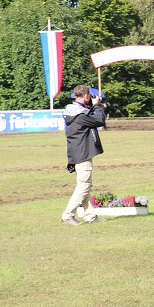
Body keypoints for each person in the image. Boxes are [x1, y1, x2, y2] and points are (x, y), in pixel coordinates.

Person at [61, 84, 108, 225]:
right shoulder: (80, 115)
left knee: (85, 185)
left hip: (77, 152)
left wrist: (93, 107)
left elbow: (88, 116)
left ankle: (90, 216)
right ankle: (67, 215)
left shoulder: (74, 111)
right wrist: (98, 106)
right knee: (84, 186)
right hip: (82, 153)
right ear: (86, 95)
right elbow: (99, 120)